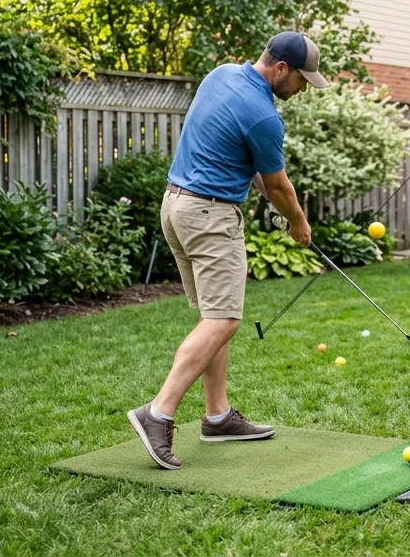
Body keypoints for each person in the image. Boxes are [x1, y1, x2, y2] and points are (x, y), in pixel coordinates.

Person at [129, 31, 328, 470]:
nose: (301, 91)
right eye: (301, 81)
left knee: (212, 317)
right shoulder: (264, 115)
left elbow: (245, 161)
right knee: (223, 319)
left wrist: (271, 197)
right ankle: (157, 413)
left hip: (176, 207)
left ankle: (217, 417)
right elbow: (277, 184)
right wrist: (298, 222)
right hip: (209, 216)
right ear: (281, 69)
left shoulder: (221, 76)